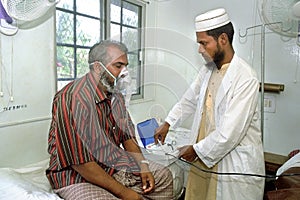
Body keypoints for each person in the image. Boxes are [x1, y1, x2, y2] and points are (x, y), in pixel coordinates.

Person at [154, 8, 265, 200]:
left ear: (223, 39)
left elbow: (230, 133)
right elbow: (189, 99)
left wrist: (195, 150)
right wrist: (168, 122)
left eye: (204, 43)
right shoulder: (207, 70)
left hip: (230, 160)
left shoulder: (246, 78)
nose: (200, 49)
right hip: (204, 156)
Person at [46, 40, 174, 200]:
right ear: (98, 67)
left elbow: (127, 136)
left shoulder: (116, 96)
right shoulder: (73, 99)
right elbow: (80, 162)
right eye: (118, 66)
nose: (125, 72)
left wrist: (143, 166)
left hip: (111, 163)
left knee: (163, 176)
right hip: (76, 174)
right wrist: (125, 193)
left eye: (126, 66)